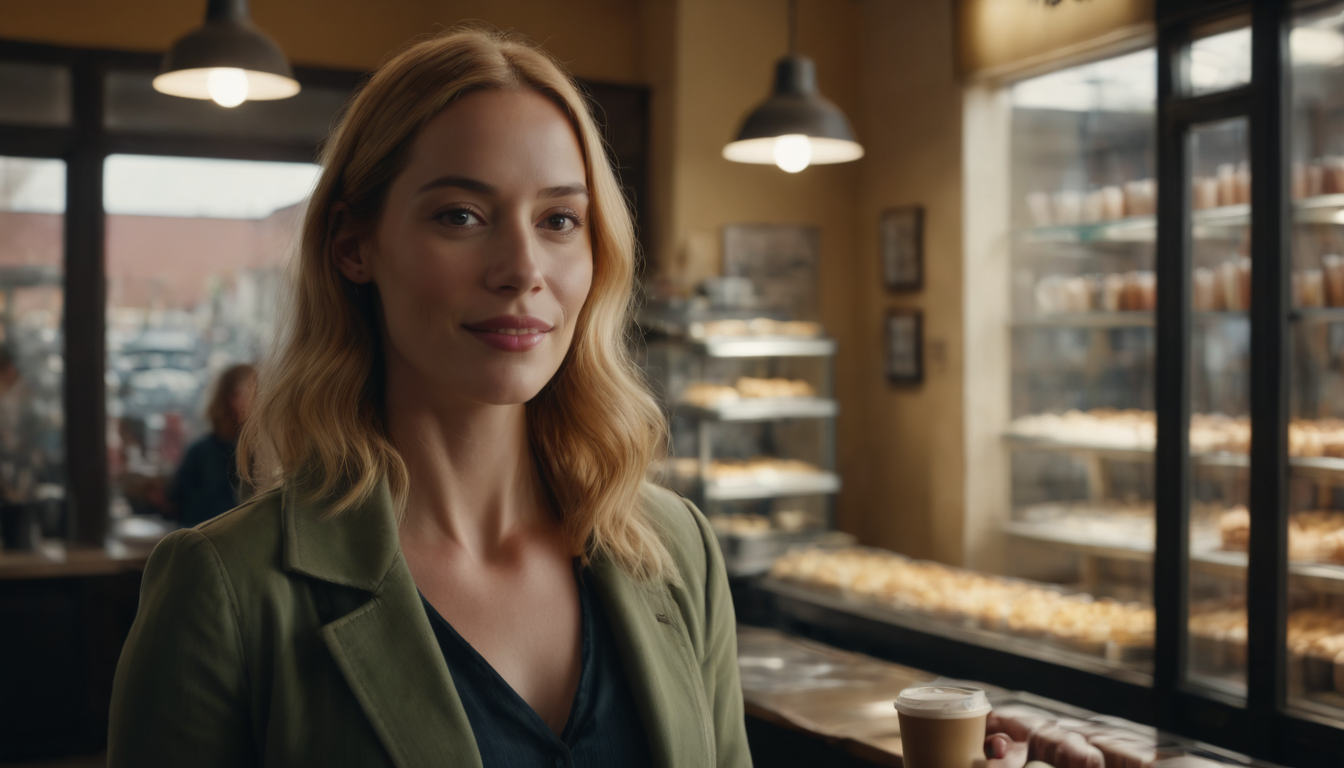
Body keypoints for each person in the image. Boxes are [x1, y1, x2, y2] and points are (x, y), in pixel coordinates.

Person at [107, 26, 750, 767]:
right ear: (353, 246)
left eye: (559, 220)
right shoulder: (226, 589)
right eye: (461, 216)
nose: (521, 268)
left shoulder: (677, 549)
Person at [168, 363, 256, 528]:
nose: (260, 401)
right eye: (253, 392)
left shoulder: (262, 453)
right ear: (231, 397)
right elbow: (182, 511)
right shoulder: (200, 453)